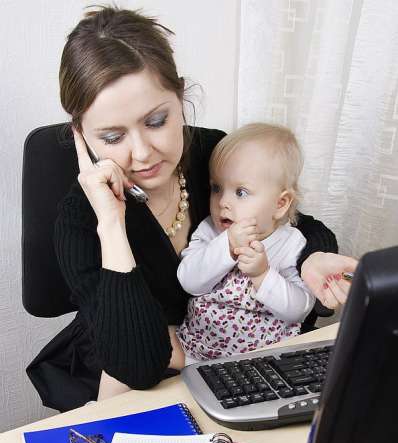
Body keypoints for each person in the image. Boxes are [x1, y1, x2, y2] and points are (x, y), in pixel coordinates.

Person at [26, 5, 355, 411]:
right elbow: (138, 365)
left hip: (227, 364)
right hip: (133, 372)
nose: (143, 153)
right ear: (81, 137)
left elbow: (294, 221)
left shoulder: (212, 156)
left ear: (180, 98)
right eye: (112, 137)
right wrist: (111, 225)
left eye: (157, 121)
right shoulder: (80, 219)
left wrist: (311, 259)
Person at [172, 123, 315, 365]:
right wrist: (225, 245)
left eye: (241, 192)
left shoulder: (290, 243)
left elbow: (300, 309)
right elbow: (189, 281)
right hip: (198, 352)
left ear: (280, 204)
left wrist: (263, 275)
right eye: (217, 188)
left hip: (263, 359)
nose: (223, 202)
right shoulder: (210, 230)